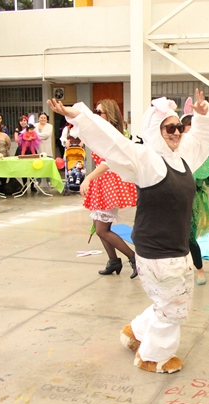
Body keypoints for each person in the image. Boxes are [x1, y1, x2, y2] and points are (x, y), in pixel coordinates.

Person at [47, 88, 209, 374]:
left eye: (178, 126)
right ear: (155, 130)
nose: (177, 132)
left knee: (168, 300)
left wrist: (203, 116)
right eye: (169, 128)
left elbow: (201, 140)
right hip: (157, 251)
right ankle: (153, 357)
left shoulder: (181, 158)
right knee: (174, 305)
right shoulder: (147, 160)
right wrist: (80, 116)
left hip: (174, 249)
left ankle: (135, 333)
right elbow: (112, 142)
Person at [79, 100, 139, 279]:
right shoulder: (102, 132)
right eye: (95, 111)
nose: (96, 114)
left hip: (109, 182)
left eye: (100, 112)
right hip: (102, 182)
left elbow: (108, 162)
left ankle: (133, 258)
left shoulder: (112, 135)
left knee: (102, 229)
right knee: (98, 225)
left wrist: (88, 178)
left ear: (109, 115)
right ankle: (113, 261)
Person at [182, 113, 209, 286]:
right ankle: (180, 267)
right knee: (175, 236)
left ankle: (199, 268)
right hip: (175, 198)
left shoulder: (200, 154)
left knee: (190, 236)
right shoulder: (175, 152)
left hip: (193, 199)